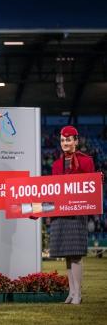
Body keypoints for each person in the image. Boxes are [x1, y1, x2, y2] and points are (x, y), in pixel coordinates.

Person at [49, 125, 95, 305]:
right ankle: (72, 291)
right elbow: (52, 190)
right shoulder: (55, 164)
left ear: (76, 141)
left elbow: (90, 187)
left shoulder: (86, 161)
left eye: (68, 139)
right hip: (61, 215)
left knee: (75, 254)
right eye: (62, 140)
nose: (65, 143)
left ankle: (78, 294)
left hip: (77, 214)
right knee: (67, 254)